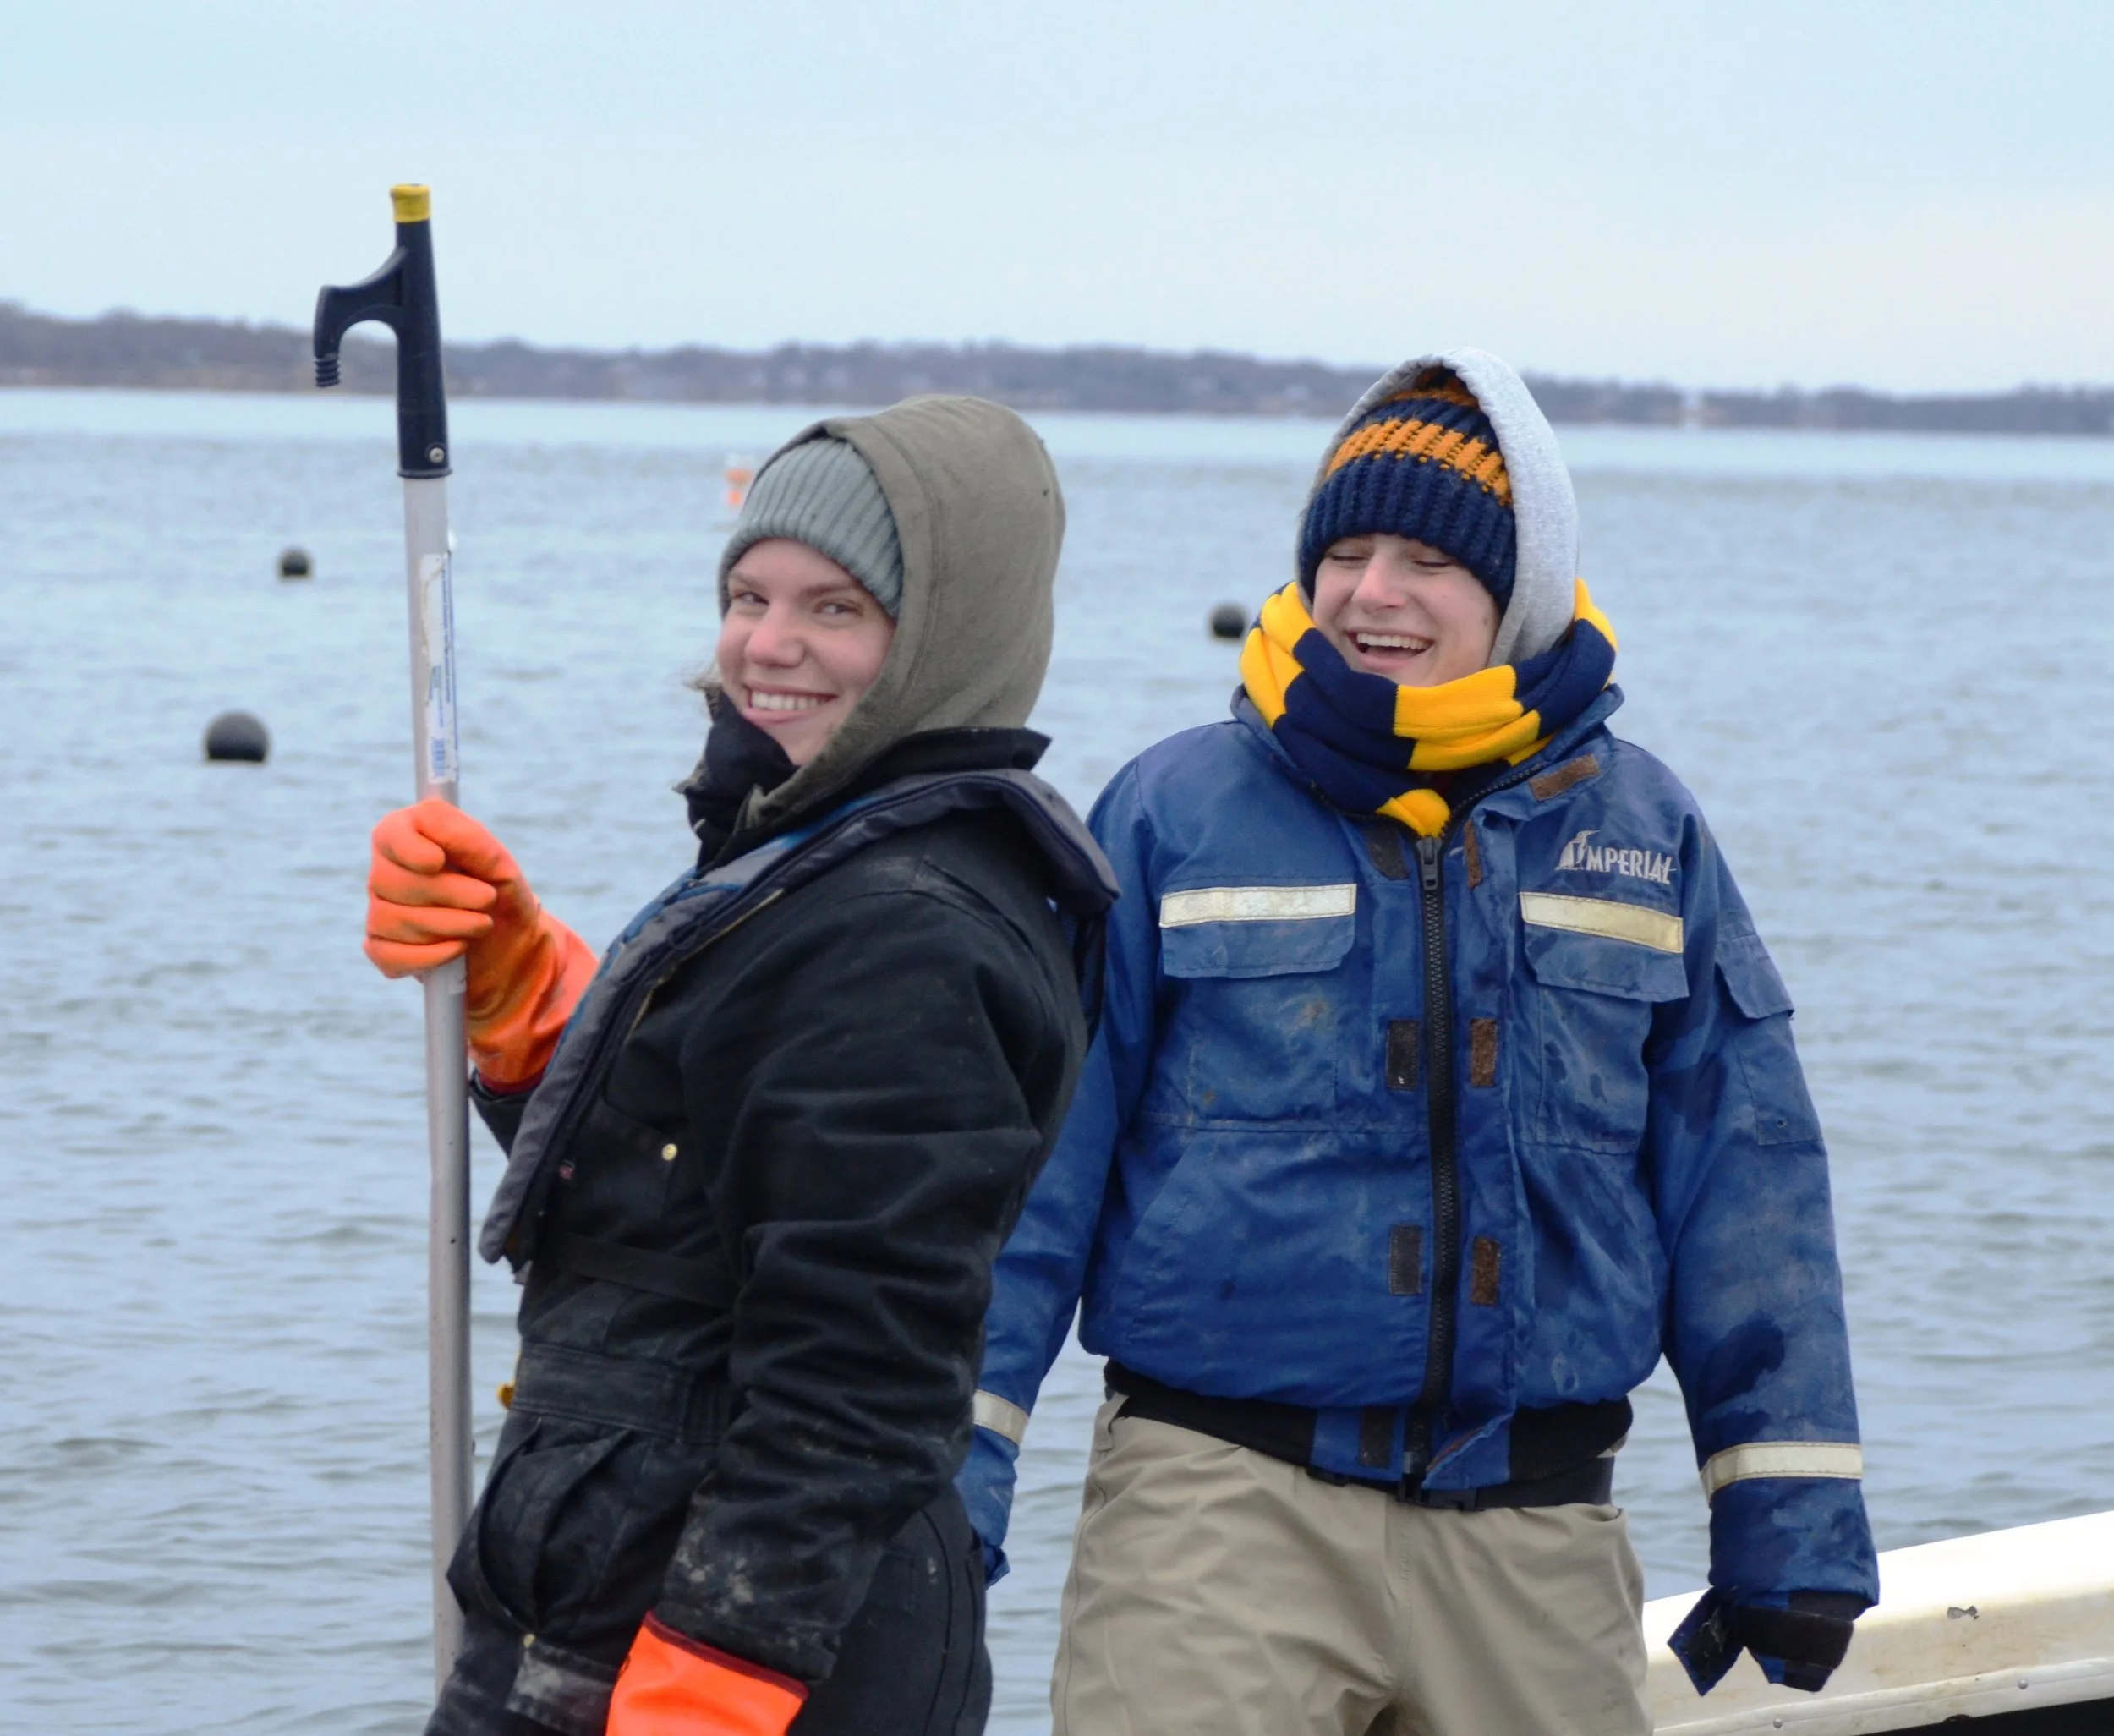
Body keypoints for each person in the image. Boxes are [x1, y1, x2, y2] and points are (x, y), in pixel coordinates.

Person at [957, 350, 1879, 1735]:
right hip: (1215, 1515)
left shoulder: (1646, 833)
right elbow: (1030, 1173)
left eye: (1426, 562)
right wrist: (950, 1470)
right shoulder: (1169, 811)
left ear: (1521, 594)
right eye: (1344, 554)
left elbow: (1747, 1183)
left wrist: (1790, 1518)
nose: (1370, 593)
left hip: (1537, 1537)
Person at [362, 396, 1115, 1736]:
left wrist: (714, 1680)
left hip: (735, 1651)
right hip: (593, 1594)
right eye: (748, 596)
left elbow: (860, 1366)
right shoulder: (803, 856)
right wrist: (526, 1001)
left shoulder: (907, 933)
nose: (768, 644)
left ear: (946, 637)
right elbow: (679, 1209)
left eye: (836, 609)